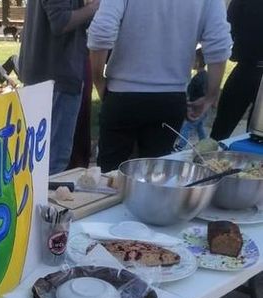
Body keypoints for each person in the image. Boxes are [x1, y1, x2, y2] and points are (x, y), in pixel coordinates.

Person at [88, 0, 232, 173]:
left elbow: (101, 32)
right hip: (170, 98)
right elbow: (218, 42)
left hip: (123, 94)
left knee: (108, 179)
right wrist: (211, 95)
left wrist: (98, 80)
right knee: (155, 179)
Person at [19, 0, 100, 175]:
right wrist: (95, 7)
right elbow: (60, 21)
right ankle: (44, 201)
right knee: (53, 162)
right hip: (59, 78)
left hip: (40, 75)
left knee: (35, 159)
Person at [211, 0, 263, 141]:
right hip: (246, 68)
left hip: (246, 67)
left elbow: (229, 28)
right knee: (221, 129)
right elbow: (228, 28)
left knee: (223, 129)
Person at [175, 49, 209, 151]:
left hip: (197, 108)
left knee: (186, 127)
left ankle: (180, 146)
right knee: (199, 127)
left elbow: (202, 95)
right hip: (204, 108)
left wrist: (191, 103)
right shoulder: (206, 76)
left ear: (197, 62)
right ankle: (205, 142)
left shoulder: (198, 78)